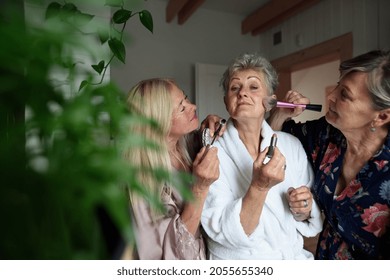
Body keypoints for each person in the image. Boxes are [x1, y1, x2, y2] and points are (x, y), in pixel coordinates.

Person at [268, 49, 390, 259]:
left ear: (381, 116)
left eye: (345, 94)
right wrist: (281, 113)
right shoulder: (325, 134)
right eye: (337, 85)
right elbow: (274, 139)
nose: (331, 96)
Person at [200, 53, 323, 259]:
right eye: (234, 88)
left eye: (253, 87)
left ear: (271, 102)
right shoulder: (211, 153)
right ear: (226, 101)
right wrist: (259, 186)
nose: (242, 93)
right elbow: (223, 229)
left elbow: (304, 215)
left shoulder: (291, 146)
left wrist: (303, 208)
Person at [123, 78, 222, 259]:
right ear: (159, 123)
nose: (193, 106)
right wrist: (199, 189)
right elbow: (165, 256)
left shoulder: (189, 147)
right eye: (182, 108)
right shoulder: (143, 180)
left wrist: (209, 127)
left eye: (185, 98)